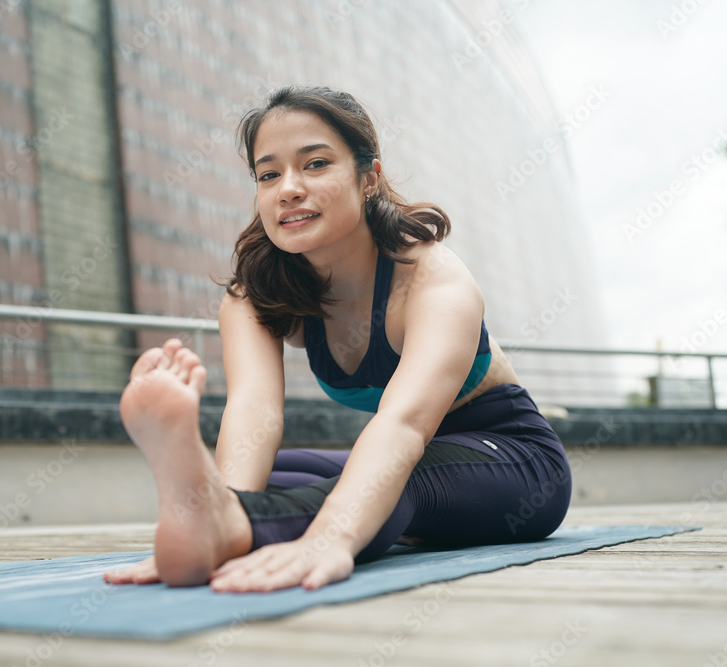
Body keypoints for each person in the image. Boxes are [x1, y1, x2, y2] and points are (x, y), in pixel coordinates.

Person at [104, 85, 571, 593]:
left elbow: (405, 426)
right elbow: (255, 414)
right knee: (274, 473)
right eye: (268, 174)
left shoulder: (433, 279)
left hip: (514, 462)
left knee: (392, 479)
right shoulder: (253, 295)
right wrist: (224, 498)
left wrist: (334, 534)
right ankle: (221, 520)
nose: (288, 188)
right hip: (405, 454)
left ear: (368, 178)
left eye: (316, 164)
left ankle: (239, 524)